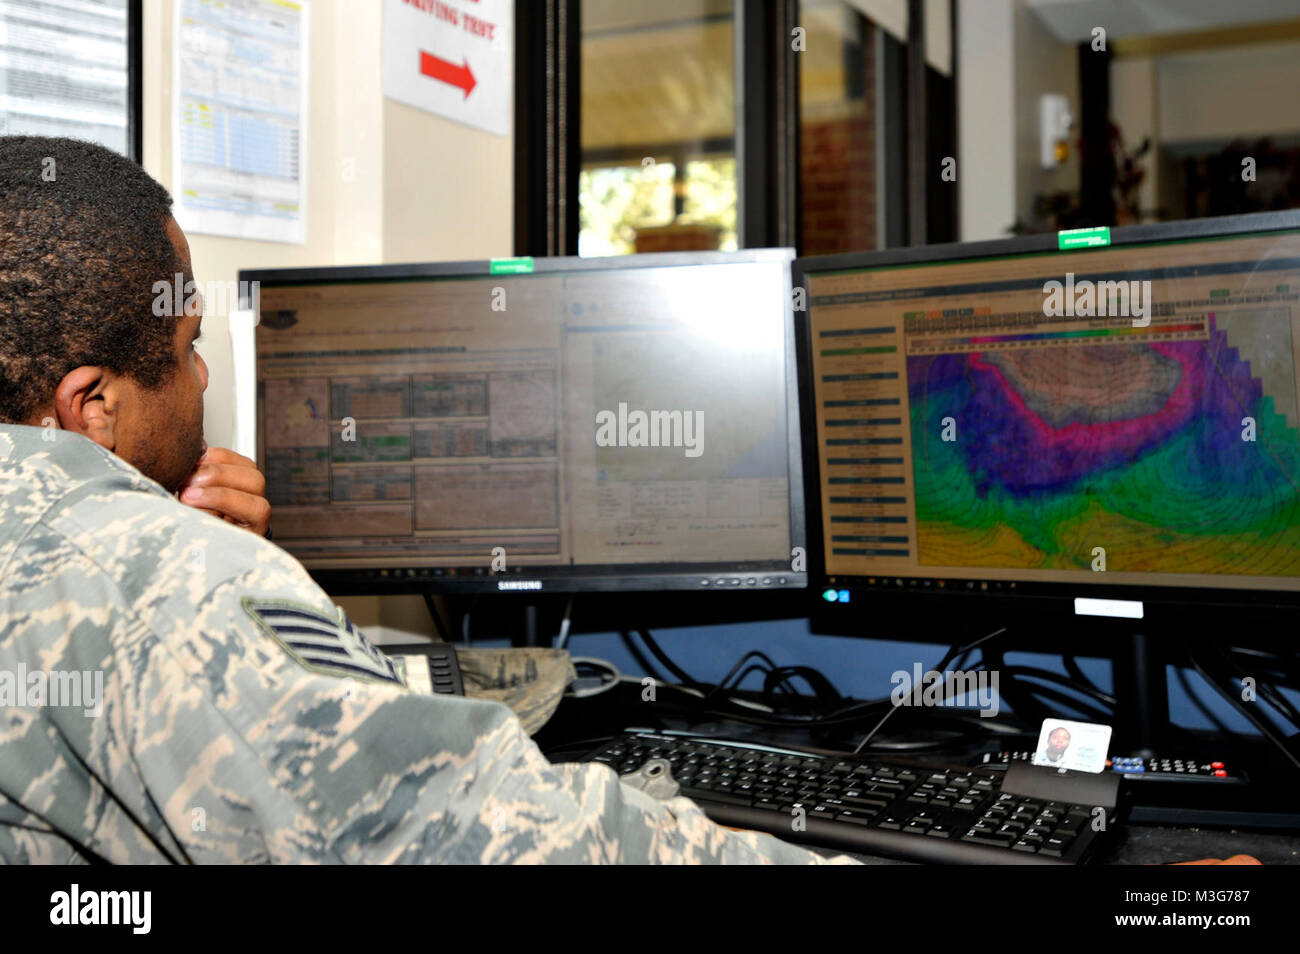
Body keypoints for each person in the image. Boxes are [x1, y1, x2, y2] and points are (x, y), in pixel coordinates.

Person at [0, 136, 846, 864]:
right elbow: (502, 838)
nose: (205, 378)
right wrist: (189, 577)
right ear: (93, 406)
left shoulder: (117, 566)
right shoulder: (168, 589)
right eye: (188, 348)